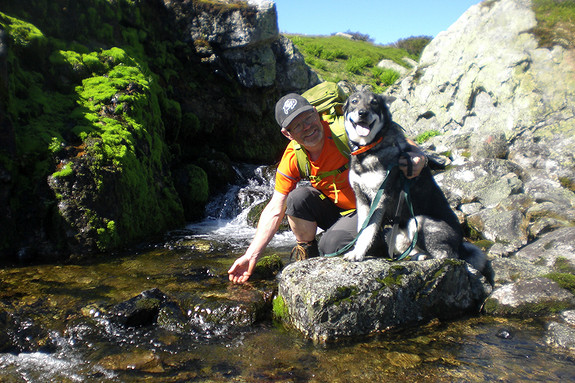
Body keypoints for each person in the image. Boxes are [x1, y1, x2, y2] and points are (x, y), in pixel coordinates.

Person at [228, 93, 427, 284]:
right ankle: (306, 262)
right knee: (297, 199)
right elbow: (275, 208)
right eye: (297, 125)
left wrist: (417, 156)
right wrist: (251, 255)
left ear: (317, 113)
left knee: (331, 244)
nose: (307, 127)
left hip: (378, 208)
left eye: (308, 118)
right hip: (344, 212)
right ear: (287, 134)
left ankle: (389, 237)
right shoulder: (294, 157)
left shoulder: (347, 131)